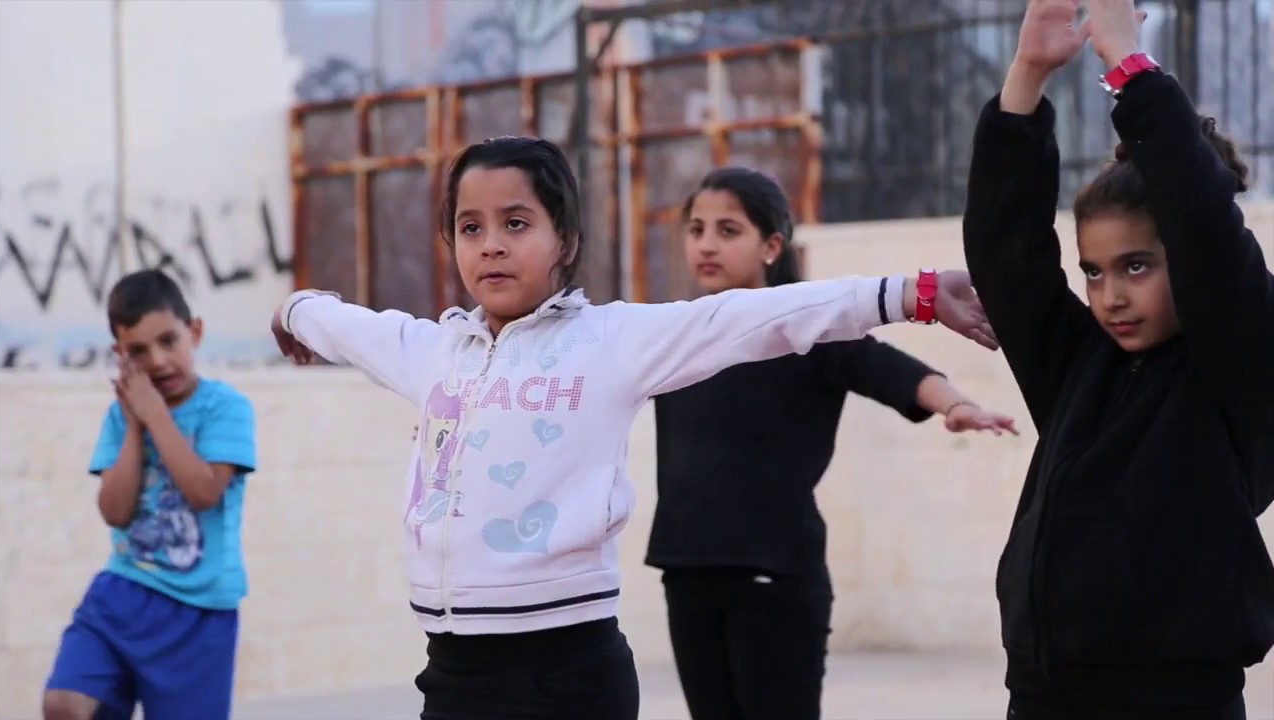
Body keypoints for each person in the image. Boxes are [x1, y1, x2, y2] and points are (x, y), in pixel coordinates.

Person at [271, 136, 1000, 720]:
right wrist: (294, 311)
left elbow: (756, 317)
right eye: (471, 227)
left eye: (516, 224)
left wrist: (911, 293)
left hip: (568, 673)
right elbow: (349, 324)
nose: (491, 244)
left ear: (565, 240)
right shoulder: (434, 352)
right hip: (453, 672)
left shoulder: (611, 341)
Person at [963, 1, 1274, 718]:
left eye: (1137, 266)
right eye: (1094, 272)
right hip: (1043, 692)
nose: (1111, 296)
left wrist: (1129, 68)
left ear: (1182, 259)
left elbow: (1203, 223)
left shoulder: (1238, 364)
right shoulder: (1080, 365)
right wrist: (1027, 75)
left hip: (1173, 698)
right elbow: (1007, 255)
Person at [646, 166, 1018, 720]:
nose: (706, 245)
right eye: (696, 230)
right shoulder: (673, 336)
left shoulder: (804, 331)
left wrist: (958, 406)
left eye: (728, 230)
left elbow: (888, 369)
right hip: (686, 571)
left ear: (772, 246)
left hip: (774, 577)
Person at [42, 269, 258, 720]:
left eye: (168, 341)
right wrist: (135, 424)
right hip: (123, 594)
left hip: (198, 613)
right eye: (139, 351)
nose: (158, 361)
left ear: (195, 332)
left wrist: (155, 414)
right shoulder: (121, 417)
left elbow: (204, 492)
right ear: (120, 355)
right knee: (64, 704)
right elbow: (115, 511)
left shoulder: (225, 408)